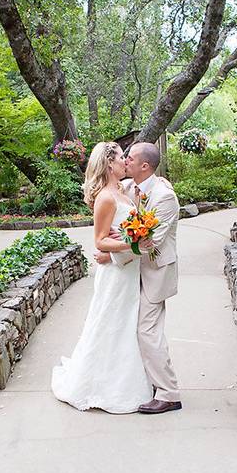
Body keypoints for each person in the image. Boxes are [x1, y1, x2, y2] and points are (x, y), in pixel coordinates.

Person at [51, 142, 153, 414]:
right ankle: (101, 386)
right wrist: (133, 245)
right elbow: (99, 241)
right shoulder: (106, 198)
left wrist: (134, 238)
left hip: (127, 271)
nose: (126, 162)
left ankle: (124, 378)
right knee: (110, 323)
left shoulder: (122, 190)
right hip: (115, 275)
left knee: (126, 324)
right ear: (109, 164)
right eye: (122, 158)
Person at [98, 141, 182, 414]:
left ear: (144, 166)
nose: (125, 161)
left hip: (155, 271)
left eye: (130, 158)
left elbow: (151, 241)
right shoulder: (126, 189)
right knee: (131, 329)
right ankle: (148, 383)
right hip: (132, 273)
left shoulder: (163, 196)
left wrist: (111, 255)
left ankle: (169, 393)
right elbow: (115, 219)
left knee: (147, 331)